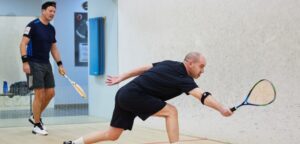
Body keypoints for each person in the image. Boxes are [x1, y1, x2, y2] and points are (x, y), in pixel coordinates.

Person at [64, 52, 233, 144]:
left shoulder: (169, 63)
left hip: (124, 93)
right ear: (190, 63)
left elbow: (146, 68)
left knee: (113, 134)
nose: (202, 71)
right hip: (133, 96)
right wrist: (222, 109)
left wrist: (123, 76)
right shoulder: (184, 78)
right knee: (171, 112)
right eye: (201, 66)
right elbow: (202, 96)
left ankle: (73, 143)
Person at [19, 1, 65, 136]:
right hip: (33, 63)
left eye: (54, 12)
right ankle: (37, 125)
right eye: (50, 11)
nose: (52, 14)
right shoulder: (32, 26)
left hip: (46, 64)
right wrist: (25, 62)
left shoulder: (51, 29)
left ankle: (35, 116)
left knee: (50, 93)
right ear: (43, 11)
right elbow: (23, 44)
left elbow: (54, 48)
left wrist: (60, 64)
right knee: (39, 93)